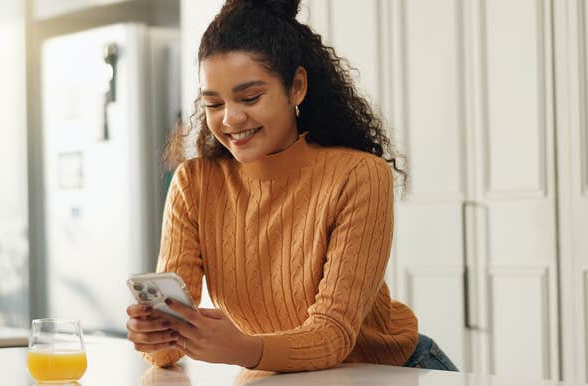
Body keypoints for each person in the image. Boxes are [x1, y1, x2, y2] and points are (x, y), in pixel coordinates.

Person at [126, 0, 458, 373]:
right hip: (281, 377)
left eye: (250, 98)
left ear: (296, 86)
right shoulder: (194, 184)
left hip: (391, 372)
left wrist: (243, 348)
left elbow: (332, 334)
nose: (231, 118)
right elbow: (165, 351)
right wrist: (154, 336)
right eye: (213, 103)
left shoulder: (358, 175)